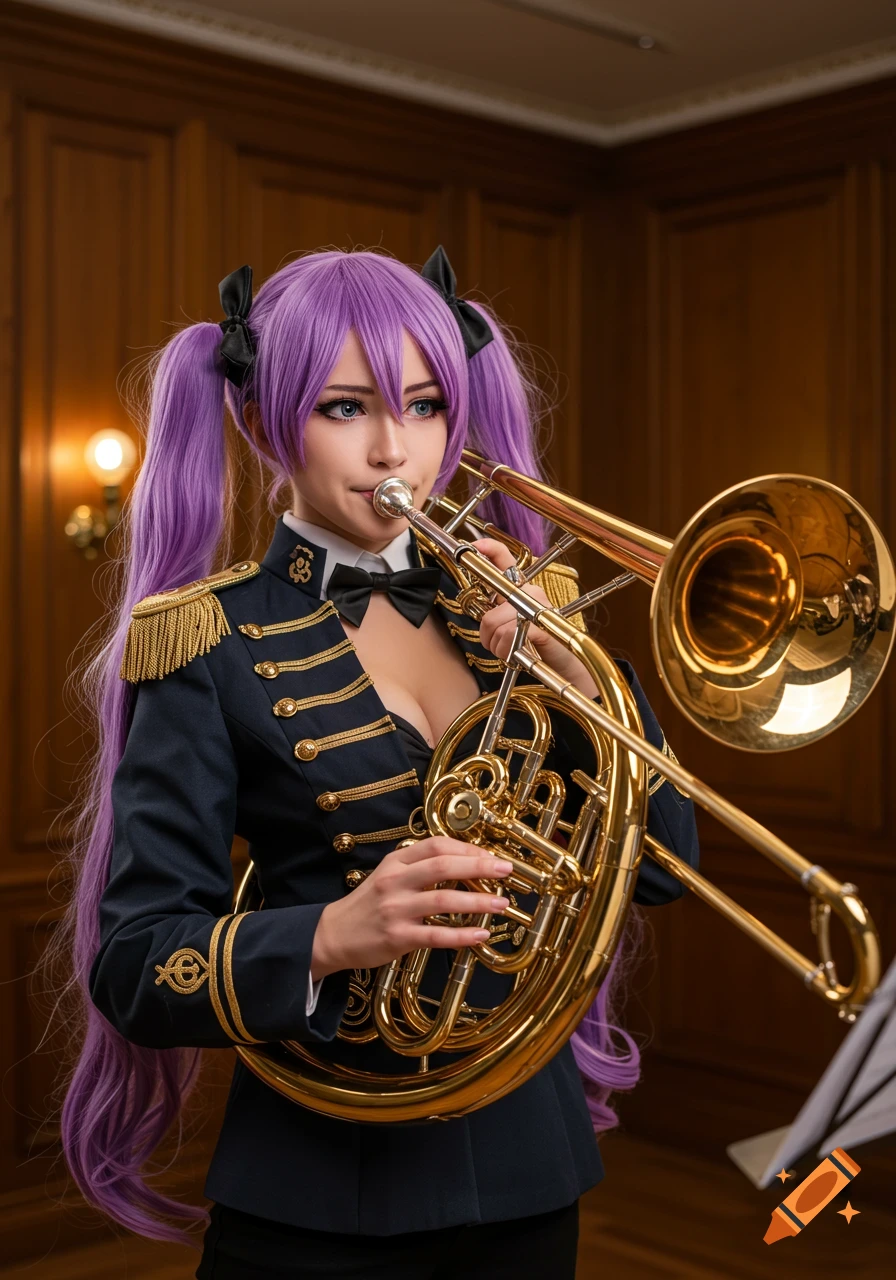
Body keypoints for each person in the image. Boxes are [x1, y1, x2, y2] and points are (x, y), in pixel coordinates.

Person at [58, 247, 699, 1279]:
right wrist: (329, 935)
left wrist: (579, 686)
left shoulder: (512, 612)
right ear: (268, 419)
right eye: (345, 407)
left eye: (426, 403)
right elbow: (137, 962)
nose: (394, 449)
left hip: (530, 1176)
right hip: (318, 1193)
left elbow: (665, 868)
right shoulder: (207, 640)